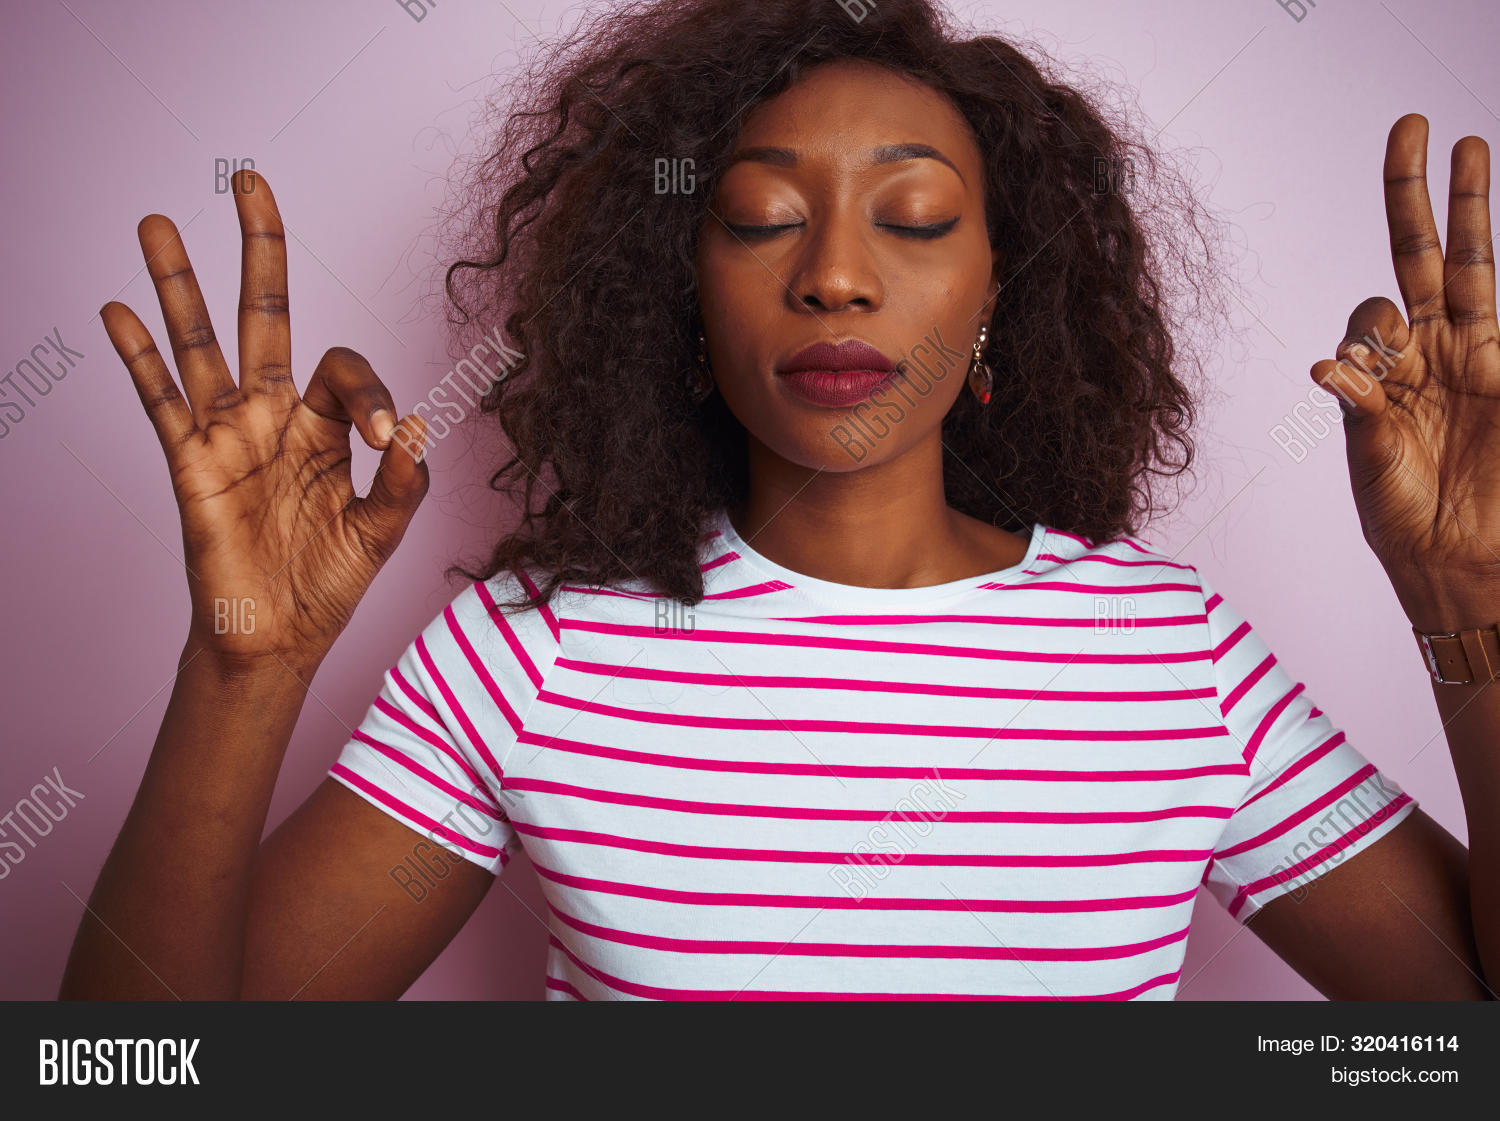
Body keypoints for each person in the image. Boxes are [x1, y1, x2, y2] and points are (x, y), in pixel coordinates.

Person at [61, 0, 1494, 1000]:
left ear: (999, 292)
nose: (836, 276)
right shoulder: (533, 654)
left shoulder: (1171, 655)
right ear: (680, 293)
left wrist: (1470, 606)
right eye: (760, 220)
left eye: (914, 219)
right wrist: (244, 664)